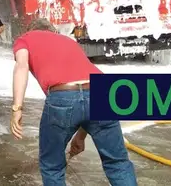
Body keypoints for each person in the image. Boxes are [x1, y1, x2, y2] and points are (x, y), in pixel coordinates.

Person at [10, 18, 137, 186]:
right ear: (53, 31)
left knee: (52, 166)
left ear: (30, 30)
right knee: (118, 163)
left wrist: (17, 108)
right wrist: (80, 136)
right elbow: (84, 90)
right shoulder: (67, 41)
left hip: (63, 95)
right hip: (102, 92)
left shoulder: (25, 39)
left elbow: (21, 66)